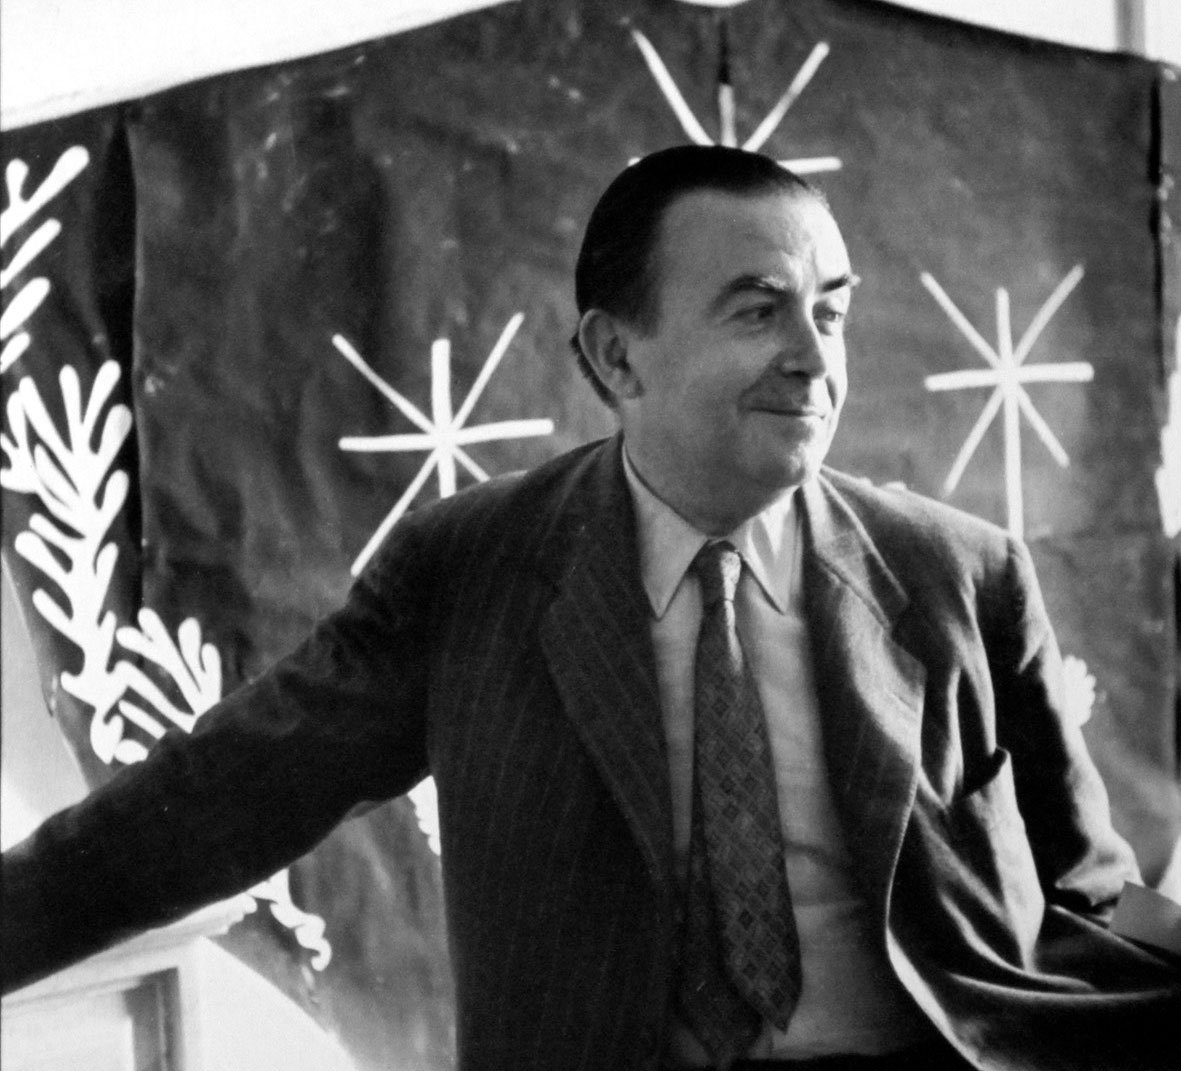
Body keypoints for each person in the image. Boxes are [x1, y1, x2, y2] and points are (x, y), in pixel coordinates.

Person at [2, 145, 1178, 1071]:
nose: (814, 360)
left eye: (829, 311)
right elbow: (217, 801)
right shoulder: (471, 568)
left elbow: (1083, 894)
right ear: (616, 358)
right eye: (756, 312)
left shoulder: (960, 573)